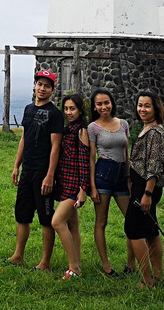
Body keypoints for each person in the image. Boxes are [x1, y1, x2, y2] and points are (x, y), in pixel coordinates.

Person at [5, 70, 63, 272]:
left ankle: (45, 262)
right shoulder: (28, 109)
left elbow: (56, 147)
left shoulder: (55, 114)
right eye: (40, 84)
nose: (42, 88)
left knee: (46, 219)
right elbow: (24, 138)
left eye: (47, 86)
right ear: (35, 86)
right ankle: (18, 255)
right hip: (27, 170)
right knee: (22, 215)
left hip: (43, 173)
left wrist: (50, 175)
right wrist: (16, 165)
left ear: (52, 90)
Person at [124, 89, 164, 288]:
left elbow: (153, 166)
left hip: (145, 188)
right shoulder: (148, 128)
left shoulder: (154, 132)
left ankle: (147, 279)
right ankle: (158, 275)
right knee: (151, 231)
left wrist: (147, 193)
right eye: (140, 105)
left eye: (147, 106)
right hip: (141, 186)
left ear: (156, 108)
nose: (142, 109)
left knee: (133, 230)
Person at [87, 88, 135, 278]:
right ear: (95, 107)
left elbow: (127, 153)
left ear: (112, 103)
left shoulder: (123, 124)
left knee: (131, 220)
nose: (103, 106)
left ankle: (131, 264)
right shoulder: (93, 127)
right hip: (103, 173)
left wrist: (129, 177)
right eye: (99, 104)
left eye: (106, 102)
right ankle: (106, 267)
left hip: (122, 175)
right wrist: (92, 186)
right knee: (101, 222)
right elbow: (91, 158)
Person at [50, 93, 89, 280]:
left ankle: (74, 268)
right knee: (73, 225)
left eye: (72, 108)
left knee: (57, 222)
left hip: (74, 185)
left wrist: (83, 188)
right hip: (64, 182)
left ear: (80, 109)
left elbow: (84, 161)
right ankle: (77, 265)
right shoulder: (68, 128)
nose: (68, 112)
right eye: (66, 109)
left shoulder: (81, 131)